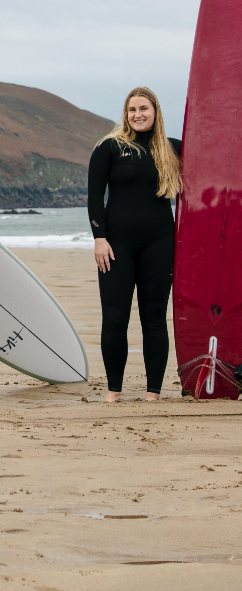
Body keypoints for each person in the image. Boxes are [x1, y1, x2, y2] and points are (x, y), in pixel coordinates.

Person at [88, 86, 181, 404]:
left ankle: (153, 393)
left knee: (154, 317)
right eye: (132, 110)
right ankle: (114, 391)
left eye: (144, 108)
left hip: (160, 242)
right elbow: (94, 197)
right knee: (114, 316)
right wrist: (99, 238)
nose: (138, 114)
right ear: (126, 114)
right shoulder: (110, 147)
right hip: (115, 245)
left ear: (156, 112)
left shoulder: (173, 149)